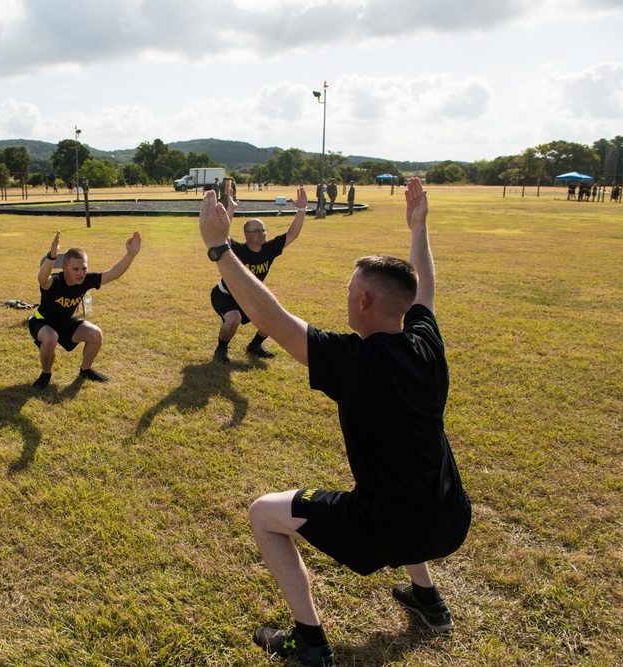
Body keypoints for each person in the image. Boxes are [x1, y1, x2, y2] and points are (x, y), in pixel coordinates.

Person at [199, 178, 470, 667]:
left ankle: (310, 643)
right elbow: (424, 286)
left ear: (364, 302)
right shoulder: (427, 343)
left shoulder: (356, 361)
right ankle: (428, 600)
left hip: (387, 527)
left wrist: (220, 248)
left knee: (264, 514)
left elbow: (271, 316)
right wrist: (418, 227)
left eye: (349, 290)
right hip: (451, 519)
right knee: (404, 488)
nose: (345, 296)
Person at [28, 229, 142, 389]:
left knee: (95, 334)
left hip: (65, 322)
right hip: (42, 322)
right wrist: (52, 256)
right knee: (50, 337)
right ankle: (45, 374)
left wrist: (131, 255)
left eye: (84, 268)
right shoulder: (55, 281)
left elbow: (114, 273)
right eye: (75, 269)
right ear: (64, 268)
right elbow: (42, 279)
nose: (81, 273)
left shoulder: (86, 280)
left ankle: (86, 370)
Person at [210, 185, 307, 362]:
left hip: (250, 295)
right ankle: (221, 349)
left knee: (275, 316)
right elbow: (223, 237)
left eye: (263, 230)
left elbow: (292, 234)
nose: (261, 234)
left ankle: (254, 346)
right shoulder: (237, 249)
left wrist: (301, 209)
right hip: (226, 295)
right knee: (234, 318)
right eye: (256, 231)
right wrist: (230, 209)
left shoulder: (269, 249)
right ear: (246, 234)